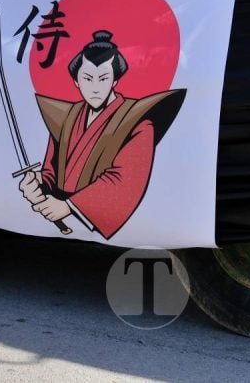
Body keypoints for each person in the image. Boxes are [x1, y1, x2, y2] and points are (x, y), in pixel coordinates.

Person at [18, 30, 185, 239]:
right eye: (87, 78)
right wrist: (38, 184)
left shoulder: (137, 121)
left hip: (87, 219)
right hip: (59, 219)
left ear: (115, 80)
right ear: (76, 81)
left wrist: (69, 206)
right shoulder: (66, 117)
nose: (95, 88)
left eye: (103, 78)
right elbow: (52, 170)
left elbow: (125, 180)